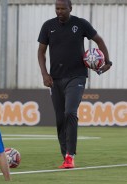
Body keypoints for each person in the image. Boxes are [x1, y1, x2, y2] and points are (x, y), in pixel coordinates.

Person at [37, 0, 112, 169]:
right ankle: (65, 156)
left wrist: (107, 62)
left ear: (71, 8)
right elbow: (41, 52)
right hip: (55, 79)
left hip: (77, 77)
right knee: (60, 119)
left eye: (63, 8)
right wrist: (44, 74)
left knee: (70, 112)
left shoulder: (81, 24)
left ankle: (70, 156)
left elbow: (99, 40)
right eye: (57, 8)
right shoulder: (48, 26)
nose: (60, 11)